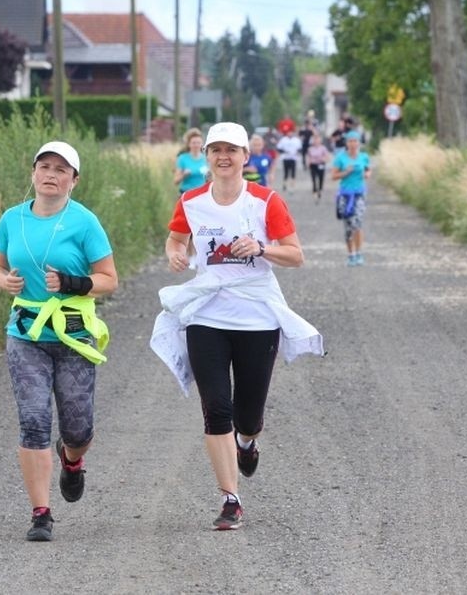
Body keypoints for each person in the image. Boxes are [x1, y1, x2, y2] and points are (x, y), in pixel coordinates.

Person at [150, 122, 324, 531]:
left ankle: (248, 442)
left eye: (232, 150)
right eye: (216, 150)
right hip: (206, 314)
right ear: (206, 156)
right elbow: (176, 239)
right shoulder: (191, 201)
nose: (223, 157)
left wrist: (261, 248)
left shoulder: (265, 201)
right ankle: (231, 499)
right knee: (216, 408)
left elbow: (296, 255)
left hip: (256, 317)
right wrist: (176, 254)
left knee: (247, 415)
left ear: (246, 157)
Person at [0, 141, 119, 542]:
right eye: (44, 166)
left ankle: (72, 460)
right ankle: (40, 513)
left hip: (74, 333)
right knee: (33, 421)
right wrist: (3, 280)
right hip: (25, 333)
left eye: (61, 170)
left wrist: (72, 283)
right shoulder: (12, 219)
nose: (51, 174)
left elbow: (110, 279)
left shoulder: (84, 222)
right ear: (33, 173)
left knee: (78, 428)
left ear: (74, 181)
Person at [330, 130, 371, 266]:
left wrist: (367, 174)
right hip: (345, 194)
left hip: (359, 193)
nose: (353, 144)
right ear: (346, 143)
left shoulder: (364, 157)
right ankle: (351, 255)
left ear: (359, 143)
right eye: (350, 141)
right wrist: (346, 172)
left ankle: (359, 253)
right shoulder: (340, 157)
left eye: (355, 141)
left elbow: (368, 169)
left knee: (357, 223)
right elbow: (333, 176)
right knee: (348, 226)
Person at [174, 128, 209, 193]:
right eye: (194, 143)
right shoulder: (182, 158)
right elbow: (176, 181)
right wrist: (184, 175)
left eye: (198, 143)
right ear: (189, 144)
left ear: (202, 144)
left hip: (202, 194)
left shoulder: (207, 158)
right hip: (186, 193)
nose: (196, 145)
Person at [306, 132, 331, 203]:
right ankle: (315, 195)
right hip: (313, 165)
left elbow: (328, 157)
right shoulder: (310, 149)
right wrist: (308, 163)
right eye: (315, 140)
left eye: (317, 140)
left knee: (321, 179)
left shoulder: (323, 148)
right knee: (314, 180)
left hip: (321, 165)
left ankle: (319, 190)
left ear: (320, 140)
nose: (316, 141)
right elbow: (308, 156)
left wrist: (324, 159)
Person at [276, 128, 302, 192]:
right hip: (286, 158)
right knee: (286, 172)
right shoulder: (283, 140)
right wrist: (284, 151)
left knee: (293, 172)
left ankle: (292, 185)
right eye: (289, 132)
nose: (290, 134)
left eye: (291, 132)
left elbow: (300, 148)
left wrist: (297, 152)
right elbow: (279, 148)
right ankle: (285, 184)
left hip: (293, 158)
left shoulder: (296, 140)